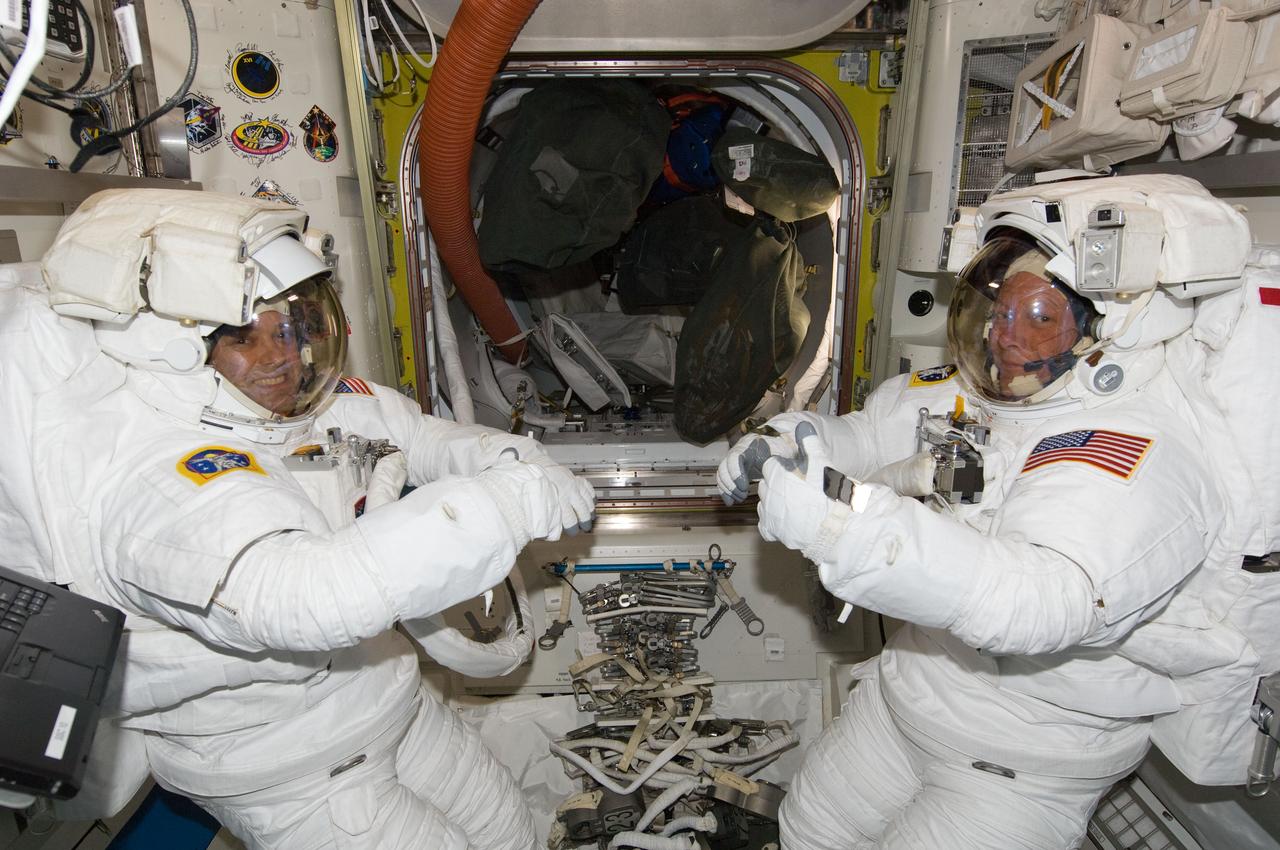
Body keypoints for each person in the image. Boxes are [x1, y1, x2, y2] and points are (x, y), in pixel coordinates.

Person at [29, 188, 594, 848]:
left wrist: (507, 455)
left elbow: (417, 436)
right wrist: (505, 504)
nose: (279, 357)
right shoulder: (158, 476)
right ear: (177, 353)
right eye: (243, 339)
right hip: (293, 769)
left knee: (510, 835)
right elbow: (303, 596)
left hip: (389, 704)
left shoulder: (301, 405)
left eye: (290, 330)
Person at [717, 175, 1253, 848]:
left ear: (1106, 331)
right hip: (906, 699)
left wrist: (845, 525)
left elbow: (1040, 600)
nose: (1004, 336)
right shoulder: (965, 392)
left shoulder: (1131, 450)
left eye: (1038, 317)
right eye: (996, 310)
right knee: (805, 834)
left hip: (1021, 760)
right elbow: (870, 432)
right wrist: (796, 441)